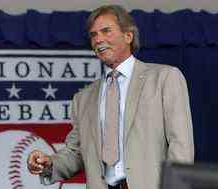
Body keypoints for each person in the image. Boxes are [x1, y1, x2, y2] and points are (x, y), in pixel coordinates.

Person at [27, 4, 194, 189]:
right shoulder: (83, 98)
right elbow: (76, 153)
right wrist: (49, 163)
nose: (98, 39)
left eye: (106, 31)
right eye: (93, 35)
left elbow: (181, 148)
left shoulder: (164, 78)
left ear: (128, 36)